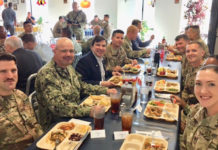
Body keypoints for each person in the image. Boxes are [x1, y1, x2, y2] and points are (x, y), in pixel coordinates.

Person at [35, 37, 117, 130]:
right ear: (55, 51)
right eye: (64, 51)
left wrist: (105, 90)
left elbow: (81, 86)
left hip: (75, 113)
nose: (68, 54)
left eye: (71, 51)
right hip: (57, 124)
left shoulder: (68, 67)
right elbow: (59, 107)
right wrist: (89, 111)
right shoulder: (47, 74)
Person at [0, 52, 43, 150]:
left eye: (13, 70)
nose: (10, 76)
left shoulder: (20, 95)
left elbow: (35, 126)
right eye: (3, 71)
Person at [180, 65, 218, 150]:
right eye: (198, 84)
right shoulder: (196, 110)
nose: (203, 91)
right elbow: (184, 144)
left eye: (211, 84)